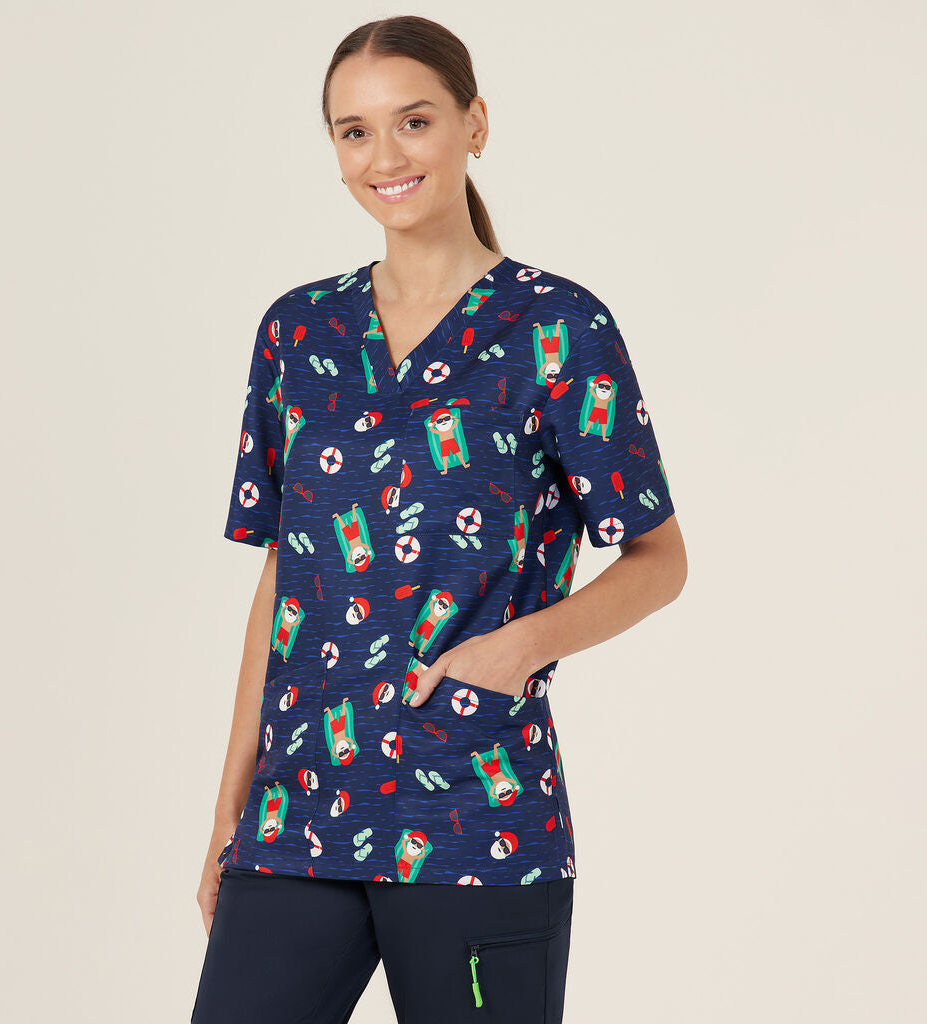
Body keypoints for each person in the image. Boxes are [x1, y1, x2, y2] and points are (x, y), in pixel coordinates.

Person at [190, 15, 687, 1024]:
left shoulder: (557, 328)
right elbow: (286, 577)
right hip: (297, 818)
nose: (385, 155)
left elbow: (658, 559)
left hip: (476, 817)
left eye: (413, 121)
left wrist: (519, 647)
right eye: (354, 131)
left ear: (474, 124)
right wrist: (229, 807)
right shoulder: (298, 331)